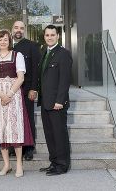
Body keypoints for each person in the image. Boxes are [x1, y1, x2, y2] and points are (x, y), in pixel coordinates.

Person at [0, 29, 33, 178]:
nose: (3, 42)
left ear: (9, 40)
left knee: (14, 128)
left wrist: (9, 94)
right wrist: (1, 95)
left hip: (13, 94)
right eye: (0, 39)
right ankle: (6, 164)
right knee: (1, 128)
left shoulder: (16, 55)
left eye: (5, 39)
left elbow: (20, 78)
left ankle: (19, 164)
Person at [38, 25, 72, 176]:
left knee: (59, 134)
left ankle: (62, 165)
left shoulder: (63, 54)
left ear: (58, 36)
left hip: (57, 103)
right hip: (46, 101)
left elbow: (65, 80)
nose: (50, 37)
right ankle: (54, 162)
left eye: (52, 35)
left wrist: (60, 100)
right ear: (44, 36)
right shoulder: (44, 52)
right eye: (47, 35)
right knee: (50, 134)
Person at [12, 21, 41, 161]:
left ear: (25, 30)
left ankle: (29, 147)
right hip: (10, 90)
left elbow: (36, 69)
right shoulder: (6, 45)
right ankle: (16, 147)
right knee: (13, 118)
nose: (19, 30)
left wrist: (34, 88)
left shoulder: (32, 46)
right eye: (16, 27)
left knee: (28, 118)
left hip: (26, 89)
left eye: (22, 28)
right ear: (12, 29)